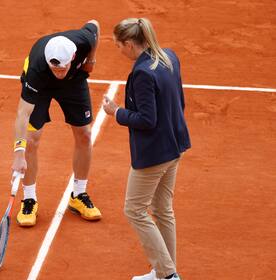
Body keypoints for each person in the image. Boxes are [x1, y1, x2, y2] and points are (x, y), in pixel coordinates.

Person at [103, 18, 191, 280]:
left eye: (119, 46)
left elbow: (146, 120)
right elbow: (180, 101)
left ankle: (167, 275)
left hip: (155, 154)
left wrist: (116, 112)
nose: (119, 50)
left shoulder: (142, 74)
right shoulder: (169, 57)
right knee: (163, 210)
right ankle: (165, 271)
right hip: (175, 144)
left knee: (134, 210)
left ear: (129, 44)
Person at [11, 20, 102, 227]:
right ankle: (29, 199)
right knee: (32, 140)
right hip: (41, 88)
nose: (58, 72)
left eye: (62, 68)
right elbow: (22, 114)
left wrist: (91, 60)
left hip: (74, 83)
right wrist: (18, 154)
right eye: (55, 68)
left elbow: (94, 25)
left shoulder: (83, 42)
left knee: (85, 134)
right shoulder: (37, 70)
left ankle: (78, 195)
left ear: (72, 57)